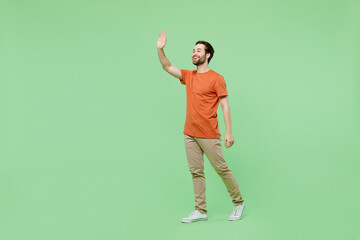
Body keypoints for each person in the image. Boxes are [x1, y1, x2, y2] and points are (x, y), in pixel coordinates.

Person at [157, 30, 245, 223]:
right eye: (193, 50)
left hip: (209, 134)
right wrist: (160, 49)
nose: (194, 53)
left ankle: (238, 203)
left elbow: (225, 106)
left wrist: (229, 132)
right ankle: (200, 210)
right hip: (189, 133)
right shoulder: (189, 75)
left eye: (198, 50)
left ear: (208, 55)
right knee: (196, 172)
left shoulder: (216, 78)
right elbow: (167, 67)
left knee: (221, 169)